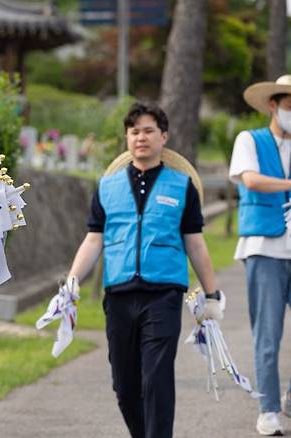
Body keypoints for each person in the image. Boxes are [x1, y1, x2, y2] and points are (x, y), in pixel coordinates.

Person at [60, 102, 223, 438]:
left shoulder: (182, 187)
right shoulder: (107, 187)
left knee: (157, 377)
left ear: (164, 136)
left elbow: (195, 243)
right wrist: (72, 283)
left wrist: (212, 295)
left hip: (164, 294)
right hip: (118, 295)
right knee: (124, 385)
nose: (141, 137)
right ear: (127, 138)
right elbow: (94, 240)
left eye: (149, 130)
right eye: (135, 131)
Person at [229, 74, 291, 436]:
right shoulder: (249, 140)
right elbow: (250, 179)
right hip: (264, 248)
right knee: (268, 333)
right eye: (289, 106)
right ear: (273, 105)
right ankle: (268, 409)